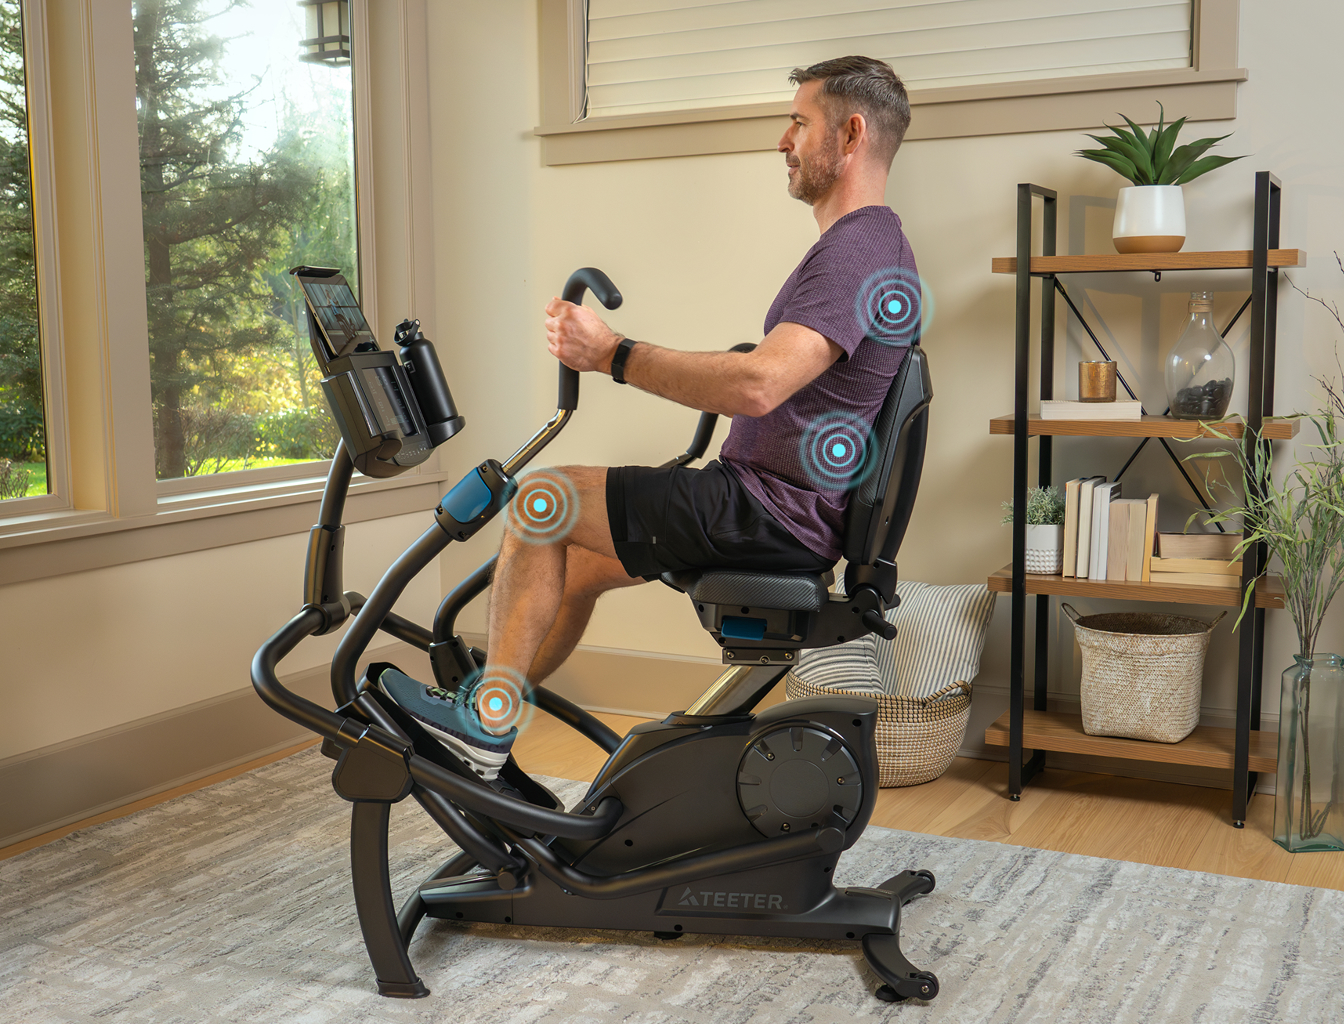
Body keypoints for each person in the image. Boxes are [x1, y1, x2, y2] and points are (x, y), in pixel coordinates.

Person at [381, 55, 920, 778]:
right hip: (773, 504)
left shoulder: (858, 251)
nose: (782, 141)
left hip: (767, 512)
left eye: (798, 121)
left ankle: (484, 725)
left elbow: (760, 384)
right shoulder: (864, 248)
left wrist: (613, 354)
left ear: (850, 134)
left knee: (543, 501)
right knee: (576, 571)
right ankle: (484, 733)